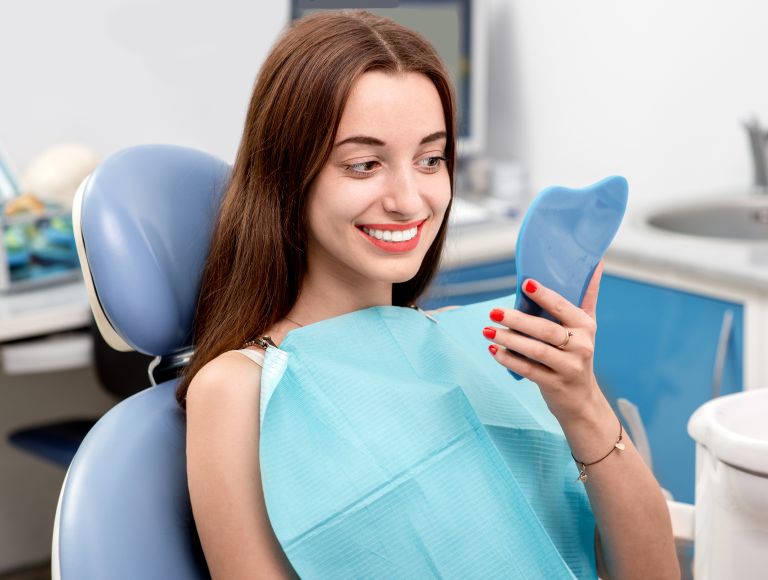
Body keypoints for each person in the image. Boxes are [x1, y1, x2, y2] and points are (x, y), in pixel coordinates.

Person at [177, 10, 679, 579]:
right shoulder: (241, 389)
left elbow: (653, 572)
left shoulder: (483, 341)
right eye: (364, 165)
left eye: (431, 159)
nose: (410, 200)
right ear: (288, 173)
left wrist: (581, 402)